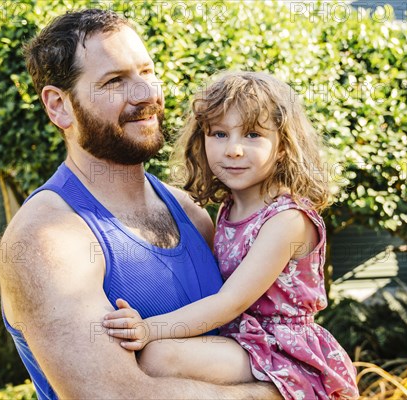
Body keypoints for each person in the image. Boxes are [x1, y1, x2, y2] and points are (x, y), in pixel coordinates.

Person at [0, 8, 281, 400]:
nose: (146, 95)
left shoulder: (194, 215)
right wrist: (283, 392)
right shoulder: (47, 240)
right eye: (115, 81)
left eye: (146, 72)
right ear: (58, 106)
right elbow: (113, 396)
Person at [102, 71, 360, 399]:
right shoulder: (227, 209)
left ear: (283, 146)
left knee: (159, 355)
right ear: (202, 140)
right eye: (220, 134)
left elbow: (230, 301)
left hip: (284, 349)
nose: (234, 149)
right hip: (244, 343)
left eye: (253, 135)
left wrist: (148, 327)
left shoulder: (287, 219)